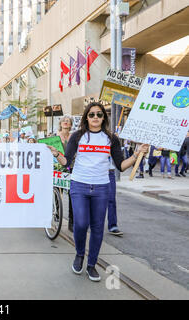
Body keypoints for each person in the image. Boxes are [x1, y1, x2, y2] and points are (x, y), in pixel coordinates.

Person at [48, 102, 148, 282]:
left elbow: (121, 166)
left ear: (104, 117)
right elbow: (66, 162)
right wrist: (56, 153)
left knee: (97, 227)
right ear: (86, 117)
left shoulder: (111, 138)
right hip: (79, 185)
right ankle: (79, 254)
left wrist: (136, 155)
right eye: (92, 114)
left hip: (102, 187)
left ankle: (92, 264)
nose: (95, 117)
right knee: (80, 224)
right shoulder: (77, 136)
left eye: (99, 115)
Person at [57, 115, 74, 232]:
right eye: (64, 121)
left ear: (71, 125)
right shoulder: (55, 137)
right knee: (57, 191)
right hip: (58, 167)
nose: (66, 123)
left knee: (72, 195)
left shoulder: (74, 137)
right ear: (61, 124)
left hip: (72, 167)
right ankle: (56, 213)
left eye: (68, 121)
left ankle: (71, 222)